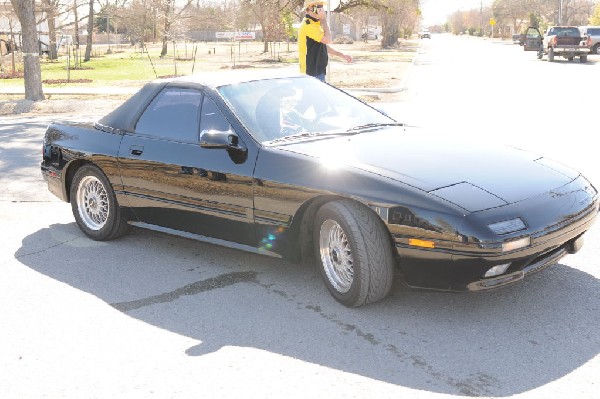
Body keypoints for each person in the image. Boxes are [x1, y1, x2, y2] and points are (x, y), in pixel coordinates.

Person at [298, 0, 352, 82]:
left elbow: (322, 45)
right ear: (310, 8)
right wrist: (323, 20)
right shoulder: (308, 24)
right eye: (319, 6)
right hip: (311, 73)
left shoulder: (315, 23)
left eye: (322, 6)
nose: (322, 9)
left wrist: (341, 55)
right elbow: (328, 40)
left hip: (318, 71)